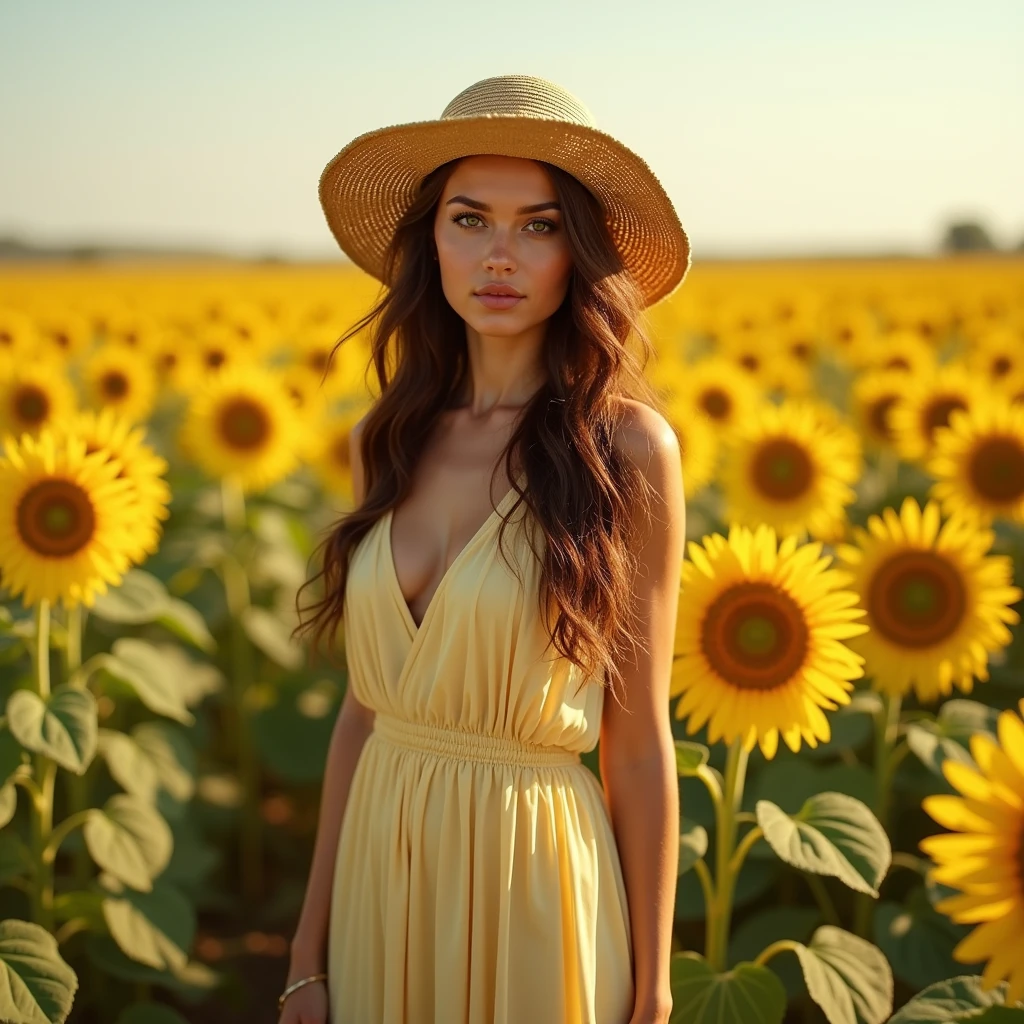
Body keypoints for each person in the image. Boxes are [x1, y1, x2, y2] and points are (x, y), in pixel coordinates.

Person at [280, 73, 691, 1024]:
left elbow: (636, 747)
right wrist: (308, 949)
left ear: (577, 254)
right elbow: (363, 715)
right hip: (382, 871)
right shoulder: (384, 438)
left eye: (539, 226)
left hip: (534, 875)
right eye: (471, 219)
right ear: (431, 238)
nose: (500, 256)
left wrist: (656, 990)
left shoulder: (626, 452)